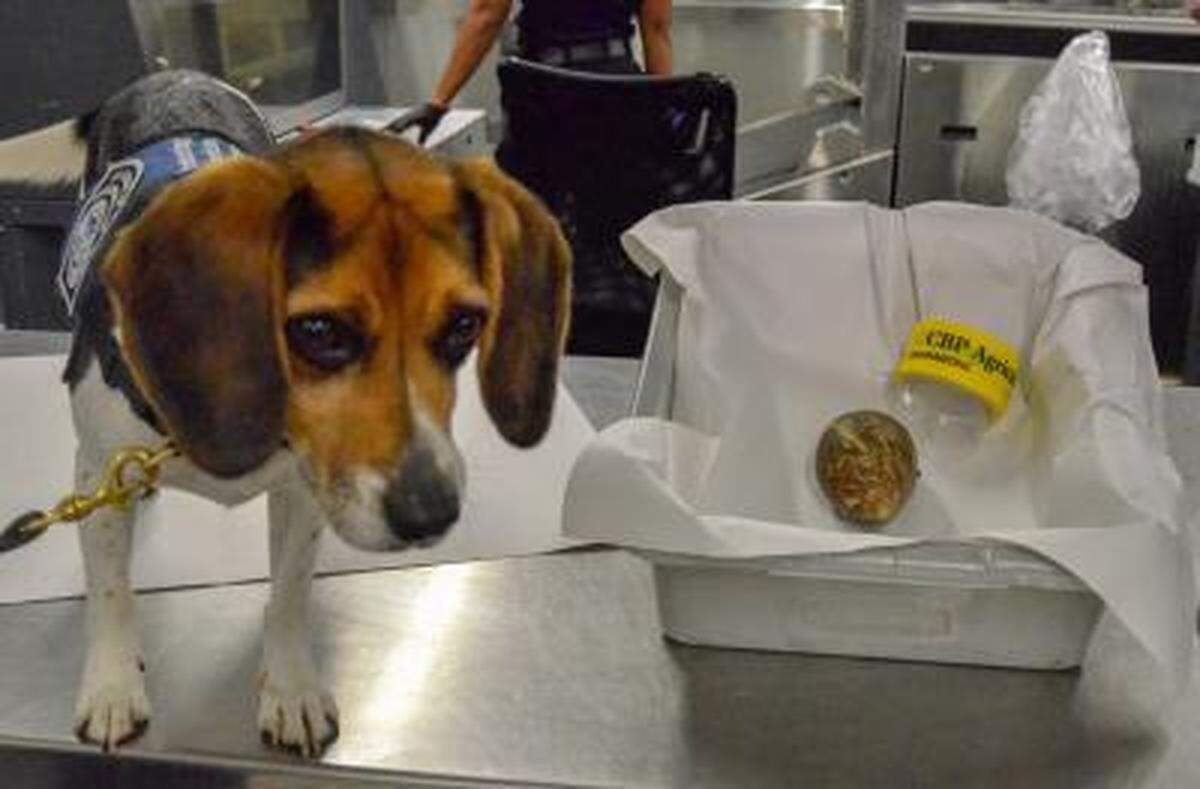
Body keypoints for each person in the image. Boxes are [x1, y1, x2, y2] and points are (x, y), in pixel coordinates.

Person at [392, 0, 674, 144]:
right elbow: (657, 27)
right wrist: (664, 107)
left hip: (545, 90)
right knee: (613, 214)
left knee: (537, 223)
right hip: (618, 88)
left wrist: (438, 102)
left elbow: (487, 15)